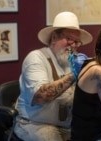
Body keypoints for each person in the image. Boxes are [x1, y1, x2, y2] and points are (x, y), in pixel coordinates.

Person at [14, 11, 93, 141]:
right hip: (34, 123)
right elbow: (41, 96)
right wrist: (74, 74)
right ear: (54, 37)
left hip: (66, 125)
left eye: (77, 42)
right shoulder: (36, 58)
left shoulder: (72, 61)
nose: (73, 45)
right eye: (69, 39)